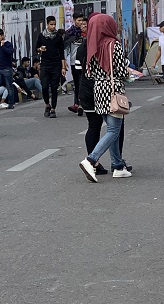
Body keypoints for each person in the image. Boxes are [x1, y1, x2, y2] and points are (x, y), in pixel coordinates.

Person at [79, 14, 132, 181]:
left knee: (111, 128)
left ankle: (117, 166)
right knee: (113, 129)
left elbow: (89, 72)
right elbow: (123, 72)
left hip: (98, 90)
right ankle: (91, 159)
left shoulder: (91, 46)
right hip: (113, 89)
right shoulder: (113, 45)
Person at [36, 16, 66, 117]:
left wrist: (63, 67)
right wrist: (40, 49)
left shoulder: (58, 37)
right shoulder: (41, 36)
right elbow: (37, 48)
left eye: (54, 24)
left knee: (54, 87)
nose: (53, 27)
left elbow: (62, 53)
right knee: (44, 87)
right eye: (51, 24)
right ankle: (47, 104)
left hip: (56, 64)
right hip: (45, 64)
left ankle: (53, 109)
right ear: (47, 24)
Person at [66, 14, 87, 113]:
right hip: (74, 62)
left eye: (82, 21)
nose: (81, 23)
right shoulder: (71, 33)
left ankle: (82, 104)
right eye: (79, 20)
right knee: (77, 83)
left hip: (86, 62)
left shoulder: (88, 33)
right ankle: (77, 103)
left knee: (83, 83)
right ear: (74, 20)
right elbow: (64, 47)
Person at [0, 28, 15, 111]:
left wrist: (3, 46)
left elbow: (10, 52)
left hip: (7, 68)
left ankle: (11, 103)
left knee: (9, 86)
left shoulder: (8, 44)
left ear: (2, 36)